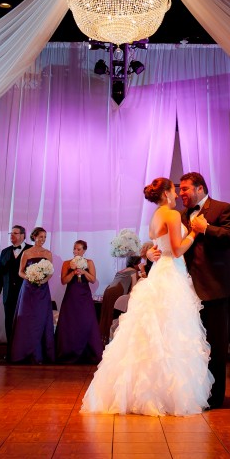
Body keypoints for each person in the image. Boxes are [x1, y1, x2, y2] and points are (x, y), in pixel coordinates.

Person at [82, 178, 213, 415]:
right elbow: (176, 250)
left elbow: (159, 247)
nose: (176, 193)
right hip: (171, 272)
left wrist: (153, 253)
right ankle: (168, 393)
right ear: (166, 192)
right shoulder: (171, 215)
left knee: (154, 331)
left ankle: (146, 390)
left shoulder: (155, 216)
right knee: (172, 331)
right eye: (174, 189)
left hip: (161, 271)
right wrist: (194, 232)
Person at [168, 171, 230, 408]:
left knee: (216, 346)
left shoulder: (223, 208)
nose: (181, 194)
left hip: (215, 289)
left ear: (200, 188)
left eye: (185, 189)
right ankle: (195, 394)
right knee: (192, 345)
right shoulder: (180, 215)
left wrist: (207, 228)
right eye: (180, 190)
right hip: (187, 291)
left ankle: (215, 397)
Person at [10, 227, 55, 364]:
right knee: (27, 319)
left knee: (41, 319)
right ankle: (24, 353)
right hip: (28, 289)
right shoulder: (27, 253)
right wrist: (31, 277)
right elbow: (20, 272)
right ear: (34, 237)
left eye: (45, 237)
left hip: (42, 290)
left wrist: (43, 280)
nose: (43, 240)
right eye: (40, 237)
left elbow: (50, 272)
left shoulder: (47, 253)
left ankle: (41, 354)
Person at [55, 239, 103, 364]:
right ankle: (68, 352)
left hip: (84, 297)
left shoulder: (89, 262)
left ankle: (89, 352)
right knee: (70, 323)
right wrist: (73, 273)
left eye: (79, 249)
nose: (75, 251)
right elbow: (63, 281)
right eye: (74, 249)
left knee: (87, 322)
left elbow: (93, 279)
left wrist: (83, 271)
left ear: (84, 250)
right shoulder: (66, 263)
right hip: (71, 297)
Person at [0, 225, 30, 360]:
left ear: (22, 235)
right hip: (8, 293)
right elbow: (0, 274)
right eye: (11, 233)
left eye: (15, 233)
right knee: (9, 322)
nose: (12, 236)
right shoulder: (5, 252)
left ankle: (25, 351)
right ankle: (11, 352)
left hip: (26, 293)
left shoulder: (31, 250)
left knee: (24, 322)